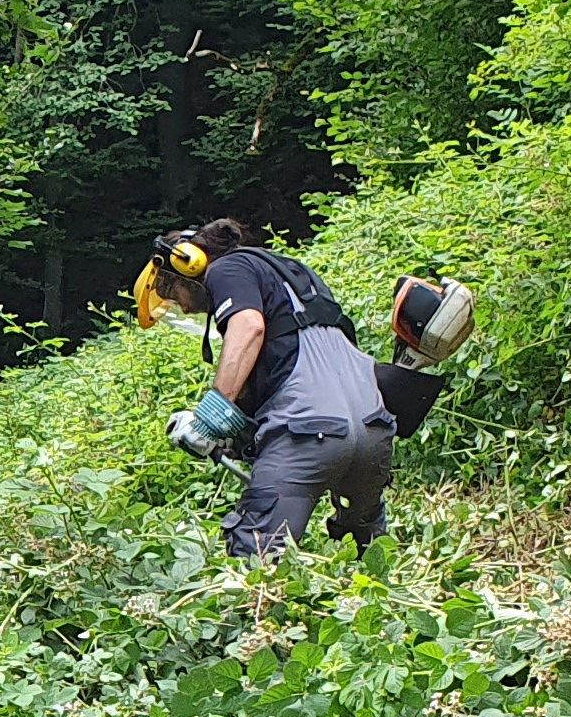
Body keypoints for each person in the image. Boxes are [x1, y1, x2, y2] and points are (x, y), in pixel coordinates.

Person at [139, 216, 397, 558]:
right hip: (374, 432)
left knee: (257, 557)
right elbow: (299, 360)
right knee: (368, 559)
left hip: (310, 433)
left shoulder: (225, 270)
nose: (184, 305)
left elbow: (248, 328)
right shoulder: (294, 274)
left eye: (174, 292)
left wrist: (209, 421)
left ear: (190, 264)